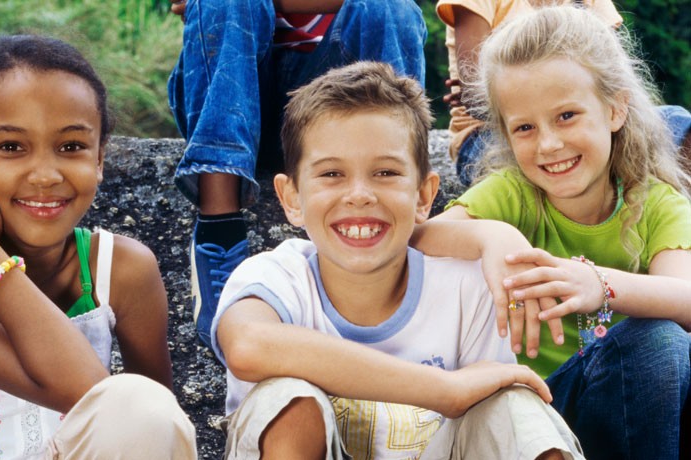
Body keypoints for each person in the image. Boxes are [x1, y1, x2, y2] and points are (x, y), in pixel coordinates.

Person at [209, 61, 583, 459]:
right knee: (289, 400)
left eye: (385, 172)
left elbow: (494, 426)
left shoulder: (466, 289)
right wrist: (444, 390)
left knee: (512, 408)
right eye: (332, 174)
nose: (359, 194)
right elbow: (248, 345)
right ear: (291, 199)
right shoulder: (276, 276)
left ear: (424, 196)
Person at [412, 7, 691, 459]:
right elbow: (413, 239)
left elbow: (684, 294)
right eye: (524, 127)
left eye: (566, 116)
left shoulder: (656, 203)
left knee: (662, 342)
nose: (548, 144)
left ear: (616, 108)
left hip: (626, 417)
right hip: (529, 414)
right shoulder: (513, 195)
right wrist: (489, 237)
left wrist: (597, 284)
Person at [0, 35, 197, 458]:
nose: (45, 175)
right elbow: (80, 389)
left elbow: (145, 427)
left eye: (71, 147)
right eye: (11, 147)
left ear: (99, 159)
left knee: (143, 406)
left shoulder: (121, 269)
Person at [167, 0, 427, 349]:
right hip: (236, 95)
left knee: (389, 9)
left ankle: (393, 181)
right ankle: (219, 232)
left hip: (338, 109)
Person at [434, 0, 691, 185]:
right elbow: (477, 96)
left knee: (676, 120)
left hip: (574, 114)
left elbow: (616, 79)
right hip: (494, 130)